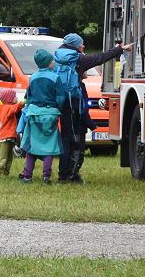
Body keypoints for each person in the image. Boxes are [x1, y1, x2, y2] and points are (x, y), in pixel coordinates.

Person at [53, 34, 133, 183]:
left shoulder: (58, 57)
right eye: (82, 44)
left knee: (65, 140)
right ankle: (72, 176)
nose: (84, 47)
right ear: (76, 45)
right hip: (75, 105)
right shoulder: (78, 59)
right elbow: (100, 58)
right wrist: (120, 49)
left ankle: (62, 175)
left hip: (63, 104)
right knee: (77, 143)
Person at [19, 49, 65, 184]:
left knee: (31, 147)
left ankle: (27, 175)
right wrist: (57, 109)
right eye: (52, 61)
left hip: (34, 114)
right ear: (47, 63)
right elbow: (61, 98)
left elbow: (28, 96)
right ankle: (46, 176)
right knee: (48, 148)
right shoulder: (56, 77)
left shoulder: (32, 77)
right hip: (50, 115)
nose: (54, 62)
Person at [0, 87, 22, 178]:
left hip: (10, 137)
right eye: (14, 96)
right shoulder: (8, 108)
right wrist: (24, 102)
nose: (16, 98)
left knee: (10, 157)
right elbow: (16, 108)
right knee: (3, 157)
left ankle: (6, 173)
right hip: (5, 137)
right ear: (9, 99)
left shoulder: (9, 108)